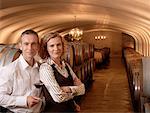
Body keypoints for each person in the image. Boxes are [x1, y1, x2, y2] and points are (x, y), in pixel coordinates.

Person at [0, 29, 45, 113]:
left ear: (38, 47)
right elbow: (1, 97)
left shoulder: (41, 68)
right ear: (20, 46)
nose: (30, 48)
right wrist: (24, 101)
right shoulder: (10, 69)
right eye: (26, 44)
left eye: (33, 44)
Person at [39, 32, 85, 112]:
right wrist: (75, 91)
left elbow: (83, 89)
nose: (56, 49)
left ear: (63, 46)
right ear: (46, 48)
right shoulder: (46, 68)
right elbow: (58, 97)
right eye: (52, 46)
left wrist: (68, 89)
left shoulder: (65, 65)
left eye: (58, 44)